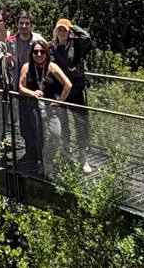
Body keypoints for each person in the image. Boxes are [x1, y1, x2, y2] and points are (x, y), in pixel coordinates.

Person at [18, 40, 72, 177]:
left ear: (47, 53)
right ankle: (43, 165)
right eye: (36, 52)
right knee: (38, 137)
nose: (39, 54)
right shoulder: (27, 66)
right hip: (33, 109)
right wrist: (33, 93)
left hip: (50, 108)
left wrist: (59, 102)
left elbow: (68, 85)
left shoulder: (52, 67)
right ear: (32, 53)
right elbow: (20, 87)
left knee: (55, 134)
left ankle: (48, 161)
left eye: (42, 51)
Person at [51, 18, 94, 173]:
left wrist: (72, 25)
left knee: (81, 124)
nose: (62, 32)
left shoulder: (76, 45)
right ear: (55, 31)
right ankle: (67, 154)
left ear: (69, 32)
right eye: (59, 29)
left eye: (64, 29)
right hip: (60, 92)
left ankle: (83, 158)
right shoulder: (51, 48)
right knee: (63, 126)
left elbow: (87, 38)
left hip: (76, 90)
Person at [5, 11, 43, 170]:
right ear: (17, 24)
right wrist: (8, 62)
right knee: (25, 124)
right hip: (20, 88)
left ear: (31, 24)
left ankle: (42, 157)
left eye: (27, 23)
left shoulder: (38, 39)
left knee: (39, 124)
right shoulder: (12, 41)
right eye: (21, 23)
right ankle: (30, 154)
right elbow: (10, 65)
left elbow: (47, 58)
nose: (24, 26)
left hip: (37, 87)